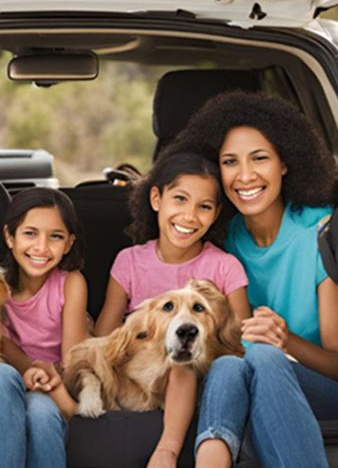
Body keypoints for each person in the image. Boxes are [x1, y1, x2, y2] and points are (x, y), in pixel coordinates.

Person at [165, 91, 338, 468]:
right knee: (229, 366)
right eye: (229, 162)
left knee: (266, 358)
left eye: (259, 159)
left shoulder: (321, 233)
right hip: (241, 384)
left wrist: (286, 340)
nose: (245, 175)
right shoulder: (218, 242)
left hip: (323, 392)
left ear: (285, 163)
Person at [94, 152, 253, 468]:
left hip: (197, 375)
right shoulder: (130, 261)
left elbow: (242, 343)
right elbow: (106, 335)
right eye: (179, 199)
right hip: (139, 379)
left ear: (216, 213)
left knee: (183, 364)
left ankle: (166, 451)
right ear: (156, 198)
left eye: (204, 207)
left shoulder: (224, 267)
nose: (190, 216)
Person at [0, 187, 89, 468]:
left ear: (69, 243)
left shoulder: (71, 283)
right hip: (13, 381)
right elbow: (0, 345)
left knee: (40, 413)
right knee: (34, 409)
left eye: (55, 237)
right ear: (9, 237)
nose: (41, 247)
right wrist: (31, 370)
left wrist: (51, 382)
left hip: (59, 380)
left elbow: (73, 356)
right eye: (30, 233)